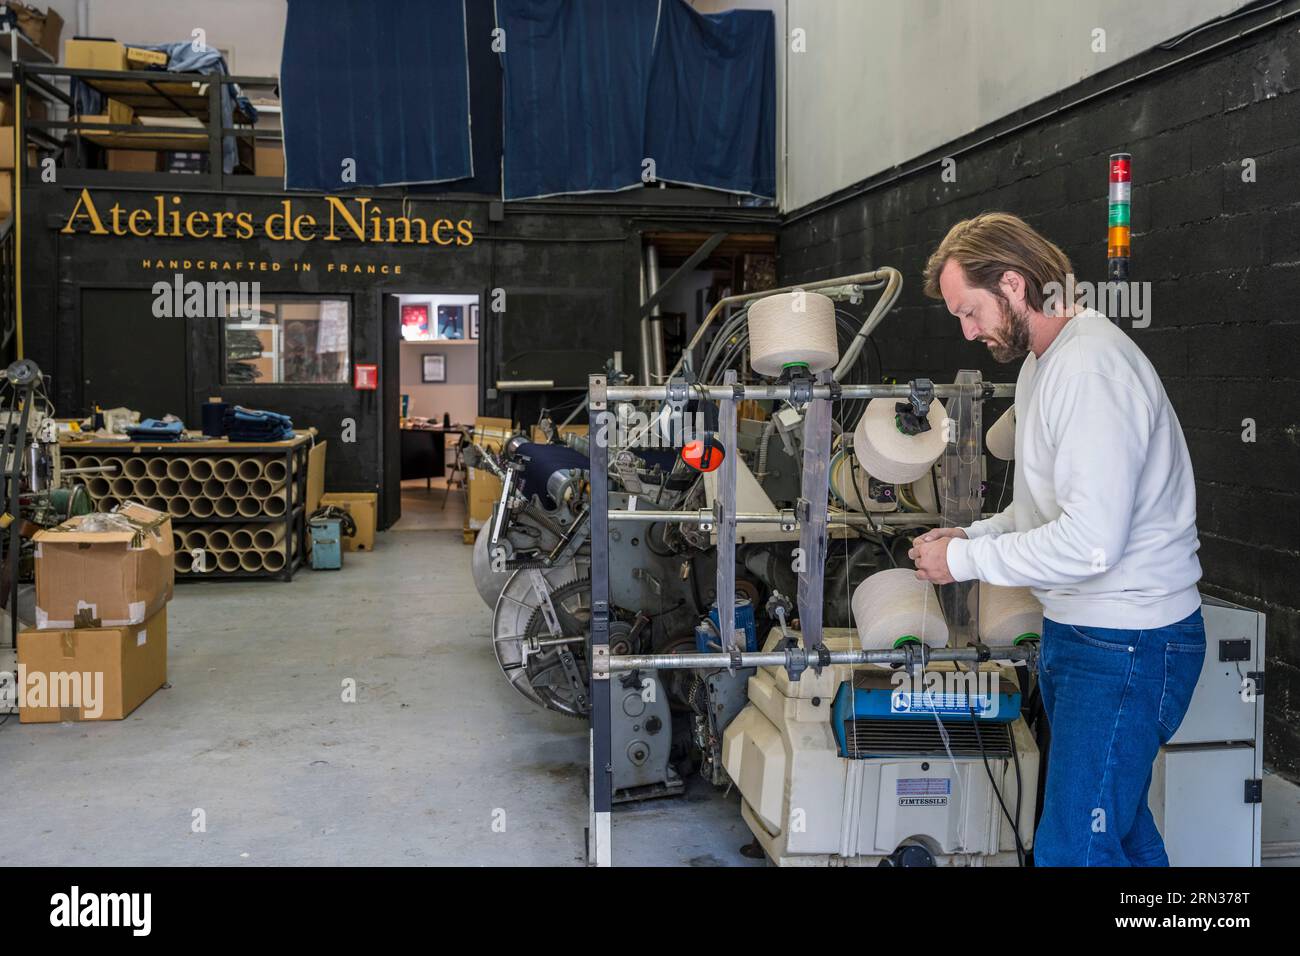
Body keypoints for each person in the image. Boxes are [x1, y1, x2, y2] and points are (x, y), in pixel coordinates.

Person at [908, 212, 1205, 866]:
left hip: (1130, 642)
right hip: (1082, 634)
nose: (968, 331)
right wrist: (972, 535)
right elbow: (1035, 511)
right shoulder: (1043, 366)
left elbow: (1092, 543)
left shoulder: (1091, 369)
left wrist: (966, 557)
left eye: (970, 310)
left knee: (1074, 848)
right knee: (1116, 830)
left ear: (1014, 284)